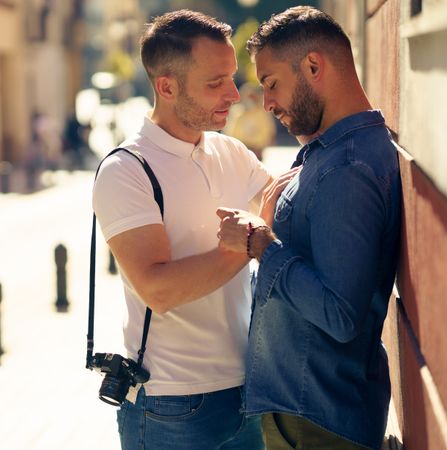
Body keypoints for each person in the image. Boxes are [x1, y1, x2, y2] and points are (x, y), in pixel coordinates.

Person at [215, 6, 402, 450]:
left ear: (314, 66)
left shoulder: (349, 167)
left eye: (272, 83)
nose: (267, 103)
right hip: (303, 412)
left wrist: (261, 243)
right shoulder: (328, 150)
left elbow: (339, 315)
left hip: (317, 422)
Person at [92, 9, 272, 449]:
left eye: (232, 77)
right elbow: (159, 290)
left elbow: (285, 212)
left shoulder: (231, 152)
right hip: (170, 405)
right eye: (215, 83)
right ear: (167, 87)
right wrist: (241, 247)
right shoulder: (126, 171)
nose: (233, 93)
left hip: (248, 391)